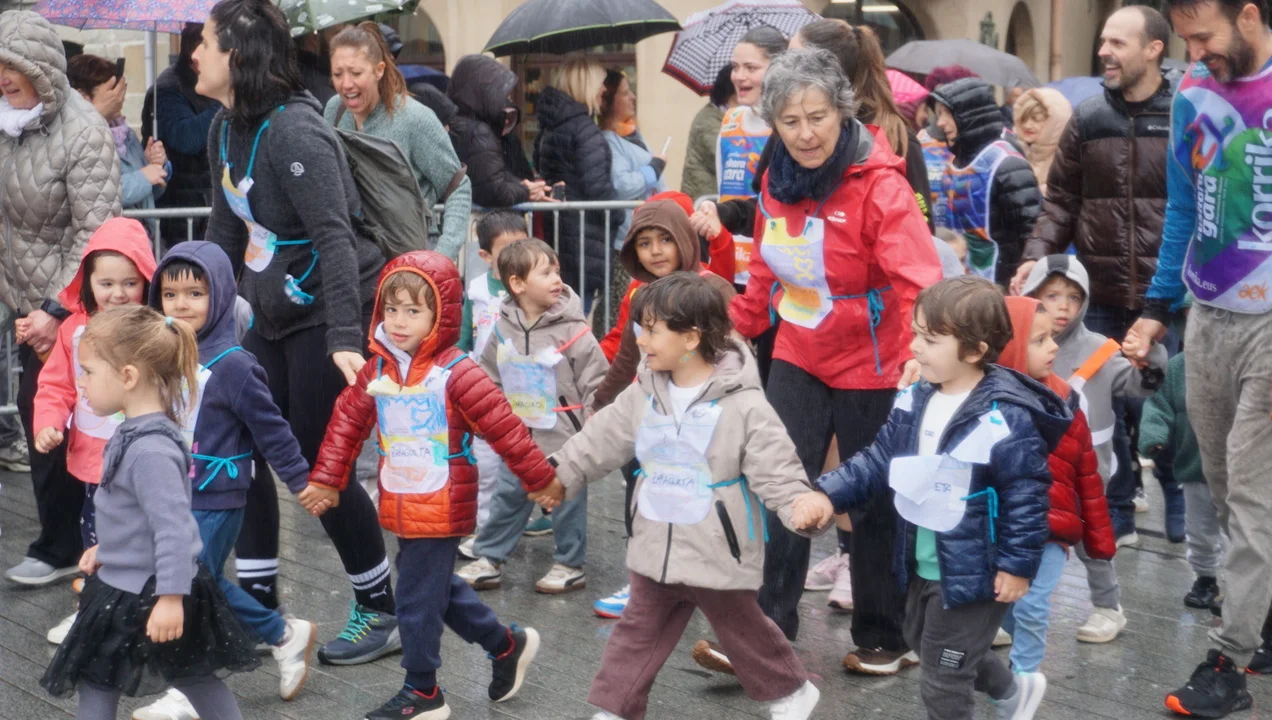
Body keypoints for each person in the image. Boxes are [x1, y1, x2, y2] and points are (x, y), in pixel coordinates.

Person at [719, 48, 941, 677]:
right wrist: (737, 327)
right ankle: (765, 631)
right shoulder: (775, 178)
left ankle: (884, 635)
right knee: (779, 481)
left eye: (817, 117)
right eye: (790, 121)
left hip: (876, 357)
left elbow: (919, 278)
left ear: (842, 111)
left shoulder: (881, 183)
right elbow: (767, 266)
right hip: (799, 347)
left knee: (871, 499)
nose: (805, 133)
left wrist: (922, 351)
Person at [194, 0, 398, 666]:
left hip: (324, 311)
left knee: (317, 461)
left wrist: (344, 337)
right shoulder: (225, 128)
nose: (193, 54)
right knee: (241, 441)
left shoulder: (294, 131)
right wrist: (198, 321)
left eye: (204, 42)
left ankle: (379, 606)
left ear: (237, 55)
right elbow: (224, 232)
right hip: (269, 311)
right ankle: (262, 614)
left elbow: (336, 237)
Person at [539, 272, 821, 720]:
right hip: (655, 539)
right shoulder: (644, 392)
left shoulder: (744, 403)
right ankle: (615, 709)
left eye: (653, 330)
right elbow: (602, 438)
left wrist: (798, 504)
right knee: (637, 631)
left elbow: (777, 468)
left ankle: (792, 691)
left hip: (716, 546)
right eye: (641, 328)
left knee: (742, 629)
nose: (641, 340)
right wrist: (560, 473)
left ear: (691, 337)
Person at [792, 276, 1068, 720]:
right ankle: (1013, 692)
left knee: (943, 676)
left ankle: (1001, 694)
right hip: (921, 557)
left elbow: (1026, 496)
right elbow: (879, 457)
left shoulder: (1005, 415)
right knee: (923, 641)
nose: (915, 347)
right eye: (916, 333)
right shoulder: (916, 398)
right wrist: (828, 494)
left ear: (975, 351)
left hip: (976, 568)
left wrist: (1017, 566)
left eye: (931, 339)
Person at [304, 250, 550, 720]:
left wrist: (540, 480)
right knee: (432, 586)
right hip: (402, 498)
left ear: (441, 315)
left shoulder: (457, 371)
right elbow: (345, 424)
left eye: (413, 310)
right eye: (391, 309)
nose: (398, 321)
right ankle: (505, 644)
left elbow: (504, 427)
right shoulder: (378, 369)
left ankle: (423, 691)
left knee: (415, 597)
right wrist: (327, 480)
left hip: (444, 499)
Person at [1122, 1, 1272, 713]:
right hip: (1207, 315)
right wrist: (1157, 307)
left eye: (1204, 37)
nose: (1194, 53)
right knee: (1221, 481)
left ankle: (1228, 664)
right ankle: (1262, 615)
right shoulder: (1193, 93)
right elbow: (1183, 208)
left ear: (1249, 15)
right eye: (1185, 40)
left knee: (1251, 493)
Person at [38, 305, 259, 720]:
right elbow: (135, 514)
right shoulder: (133, 432)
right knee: (104, 680)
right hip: (125, 583)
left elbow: (174, 529)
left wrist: (171, 599)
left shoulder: (150, 449)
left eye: (88, 371)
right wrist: (108, 547)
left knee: (192, 676)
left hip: (154, 589)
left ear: (128, 376)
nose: (80, 382)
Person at [127, 241, 318, 719]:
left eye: (196, 293)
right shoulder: (161, 357)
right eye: (170, 294)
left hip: (217, 497)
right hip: (172, 494)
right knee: (198, 581)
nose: (181, 304)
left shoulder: (235, 365)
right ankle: (282, 633)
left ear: (222, 296)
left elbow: (272, 430)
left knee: (188, 584)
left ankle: (190, 689)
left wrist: (301, 481)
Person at [1012, 5, 1176, 544]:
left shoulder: (1184, 112)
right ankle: (1117, 506)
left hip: (1167, 295)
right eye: (1103, 41)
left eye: (1117, 43)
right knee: (1103, 403)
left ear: (1153, 49)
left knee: (1164, 400)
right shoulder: (1087, 118)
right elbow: (1060, 201)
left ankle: (1176, 494)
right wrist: (1035, 255)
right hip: (1099, 294)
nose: (1104, 51)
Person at [0, 10, 121, 588]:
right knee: (42, 416)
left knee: (51, 414)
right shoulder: (7, 122)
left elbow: (95, 232)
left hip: (69, 308)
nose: (3, 77)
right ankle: (70, 540)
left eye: (11, 65)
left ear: (41, 67)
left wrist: (55, 309)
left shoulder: (82, 131)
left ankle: (68, 545)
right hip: (21, 299)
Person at [587, 196, 738, 619]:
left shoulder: (714, 289)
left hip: (703, 420)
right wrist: (601, 404)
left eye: (665, 240)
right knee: (641, 492)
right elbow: (626, 357)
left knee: (701, 500)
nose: (655, 251)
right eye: (644, 243)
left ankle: (705, 582)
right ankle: (645, 582)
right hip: (649, 416)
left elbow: (737, 356)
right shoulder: (641, 293)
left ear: (685, 239)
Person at [1021, 255, 1166, 643]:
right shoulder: (1016, 344)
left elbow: (1141, 385)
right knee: (1020, 532)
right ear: (1032, 295)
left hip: (1087, 469)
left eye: (1074, 297)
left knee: (1091, 537)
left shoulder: (1099, 348)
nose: (1063, 306)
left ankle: (1108, 607)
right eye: (1052, 295)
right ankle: (1009, 613)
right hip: (1027, 465)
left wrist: (1147, 356)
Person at [30, 218, 156, 646]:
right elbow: (56, 385)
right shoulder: (73, 330)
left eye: (130, 282)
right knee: (95, 541)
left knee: (143, 538)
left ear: (147, 279)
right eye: (106, 283)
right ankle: (92, 611)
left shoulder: (155, 329)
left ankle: (141, 613)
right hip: (93, 464)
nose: (118, 293)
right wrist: (48, 423)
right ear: (87, 282)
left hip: (145, 462)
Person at [457, 240, 609, 593]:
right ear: (518, 283)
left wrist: (592, 423)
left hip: (565, 439)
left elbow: (597, 381)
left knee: (567, 500)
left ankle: (570, 563)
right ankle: (489, 558)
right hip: (518, 439)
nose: (557, 279)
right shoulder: (502, 329)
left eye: (557, 270)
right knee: (508, 497)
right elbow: (489, 376)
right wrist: (489, 419)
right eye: (545, 272)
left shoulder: (573, 329)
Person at [995, 296, 1116, 674]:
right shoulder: (982, 400)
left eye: (1052, 337)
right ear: (1009, 345)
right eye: (1039, 340)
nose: (1053, 347)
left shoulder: (1064, 398)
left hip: (1052, 527)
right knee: (1005, 606)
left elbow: (1086, 475)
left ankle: (1024, 681)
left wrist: (1098, 540)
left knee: (1032, 607)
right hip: (999, 527)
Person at [326, 23, 473, 260]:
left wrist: (441, 256)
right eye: (337, 74)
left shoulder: (414, 118)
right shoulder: (334, 110)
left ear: (379, 70)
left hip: (412, 260)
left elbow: (458, 186)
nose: (346, 84)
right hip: (356, 258)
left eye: (356, 73)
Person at [456, 211, 529, 560]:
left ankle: (523, 519)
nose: (518, 256)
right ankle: (484, 528)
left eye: (523, 246)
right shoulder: (477, 291)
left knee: (523, 461)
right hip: (485, 389)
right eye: (507, 250)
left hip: (526, 389)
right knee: (484, 464)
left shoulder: (532, 288)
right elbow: (464, 337)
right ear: (485, 255)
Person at [929, 77, 1041, 286]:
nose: (940, 122)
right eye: (939, 114)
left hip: (997, 288)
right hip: (954, 288)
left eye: (946, 113)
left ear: (968, 115)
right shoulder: (954, 163)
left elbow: (1032, 234)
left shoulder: (1007, 164)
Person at [1139, 350, 1223, 607]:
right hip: (1194, 466)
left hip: (1241, 470)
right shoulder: (1179, 366)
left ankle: (1243, 587)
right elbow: (1159, 404)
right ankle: (1206, 578)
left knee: (1242, 533)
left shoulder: (1251, 359)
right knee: (1198, 530)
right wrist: (1154, 433)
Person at [534, 55, 617, 306]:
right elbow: (597, 188)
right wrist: (619, 213)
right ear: (587, 85)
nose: (604, 90)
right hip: (585, 239)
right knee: (575, 314)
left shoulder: (549, 127)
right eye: (601, 83)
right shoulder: (584, 130)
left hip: (560, 235)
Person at [708, 25, 787, 289]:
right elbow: (723, 190)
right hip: (731, 260)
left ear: (777, 70)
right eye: (735, 67)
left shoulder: (788, 125)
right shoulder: (731, 120)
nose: (739, 76)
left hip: (773, 265)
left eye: (751, 68)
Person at [142, 23, 222, 245]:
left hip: (206, 205)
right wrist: (224, 100)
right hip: (181, 214)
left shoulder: (204, 84)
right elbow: (187, 138)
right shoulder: (167, 90)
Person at [68, 54, 171, 212]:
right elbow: (96, 194)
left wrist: (156, 166)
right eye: (111, 90)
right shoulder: (74, 137)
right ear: (83, 97)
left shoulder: (126, 134)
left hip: (141, 227)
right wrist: (143, 177)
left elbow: (149, 196)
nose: (119, 98)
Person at [447, 54, 549, 208]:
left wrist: (522, 186)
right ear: (483, 92)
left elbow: (492, 178)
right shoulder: (478, 132)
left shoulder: (456, 124)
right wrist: (526, 191)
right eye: (502, 95)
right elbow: (494, 190)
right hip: (483, 219)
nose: (507, 101)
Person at [601, 69, 667, 245]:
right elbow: (622, 185)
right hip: (630, 235)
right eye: (625, 93)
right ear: (610, 100)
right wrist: (654, 169)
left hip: (647, 227)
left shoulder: (632, 134)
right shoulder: (609, 140)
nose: (633, 97)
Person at [680, 65, 735, 203]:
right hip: (704, 199)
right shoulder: (708, 121)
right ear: (730, 93)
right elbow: (727, 156)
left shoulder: (730, 117)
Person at [1011, 88, 1072, 196]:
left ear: (1053, 123)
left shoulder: (1066, 161)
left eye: (1036, 119)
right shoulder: (1013, 152)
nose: (1027, 125)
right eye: (1023, 119)